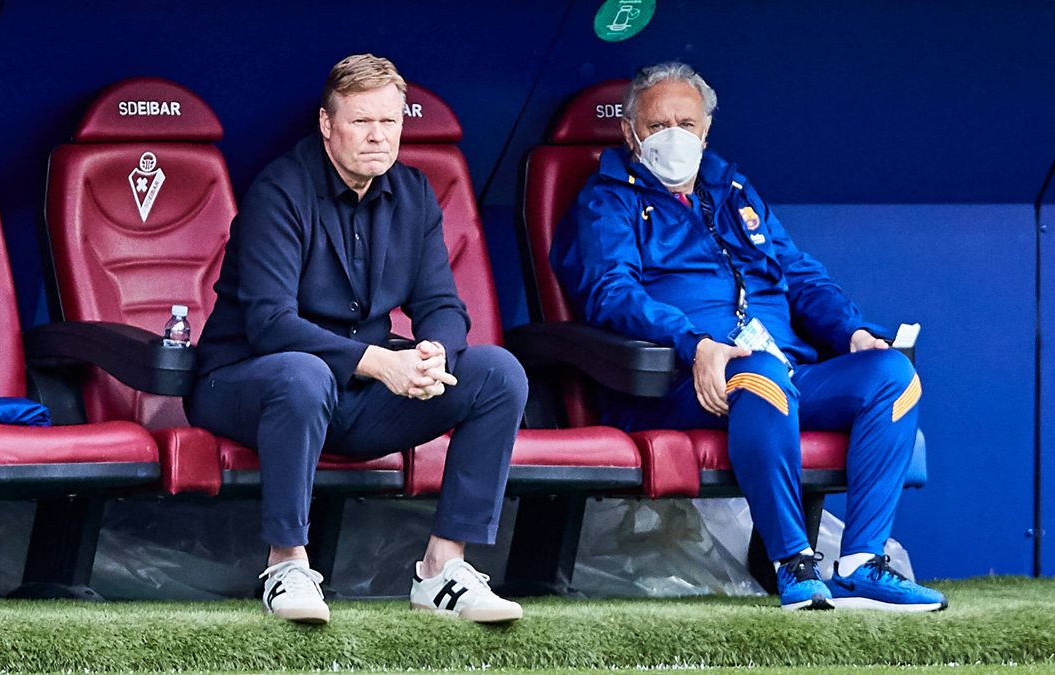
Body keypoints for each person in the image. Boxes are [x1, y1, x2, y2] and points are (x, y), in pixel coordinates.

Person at [551, 62, 947, 612]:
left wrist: (852, 332)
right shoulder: (607, 200)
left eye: (685, 123)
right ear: (630, 131)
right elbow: (610, 293)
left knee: (892, 377)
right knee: (761, 375)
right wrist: (696, 343)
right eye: (657, 123)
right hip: (683, 380)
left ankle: (862, 563)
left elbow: (802, 277)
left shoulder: (731, 188)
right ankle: (794, 563)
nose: (673, 136)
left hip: (784, 367)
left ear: (706, 128)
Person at [189, 54, 525, 624]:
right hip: (247, 382)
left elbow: (441, 303)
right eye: (360, 122)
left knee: (497, 373)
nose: (377, 137)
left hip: (355, 395)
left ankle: (442, 569)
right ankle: (286, 564)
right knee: (303, 373)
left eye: (389, 122)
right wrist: (379, 363)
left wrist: (432, 353)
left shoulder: (413, 192)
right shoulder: (280, 189)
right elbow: (270, 324)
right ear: (327, 124)